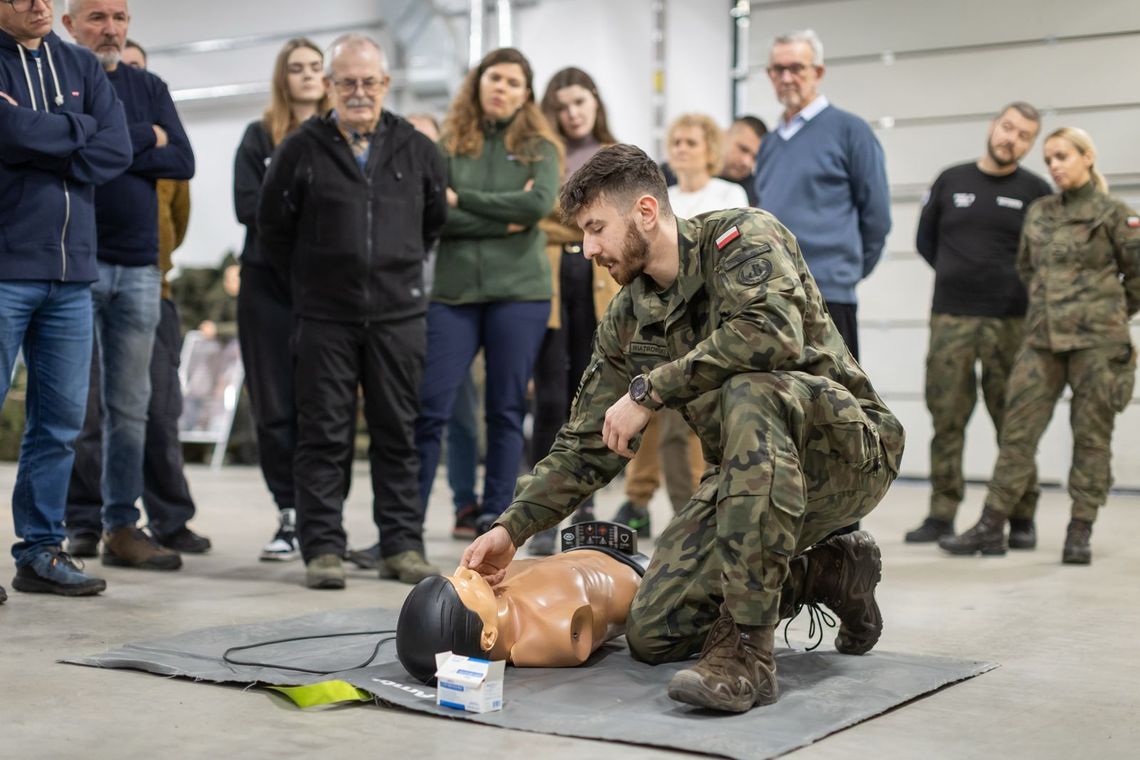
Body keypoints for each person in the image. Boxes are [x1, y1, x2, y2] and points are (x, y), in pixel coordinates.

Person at [461, 144, 905, 713]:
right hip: (746, 480)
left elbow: (772, 332)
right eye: (582, 235)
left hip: (847, 454)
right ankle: (830, 572)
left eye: (596, 229)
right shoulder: (629, 315)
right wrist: (512, 528)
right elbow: (586, 441)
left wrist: (650, 391)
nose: (588, 248)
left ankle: (748, 655)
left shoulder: (742, 237)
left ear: (646, 211)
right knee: (655, 631)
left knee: (753, 388)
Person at [258, 34, 447, 589]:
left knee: (398, 432)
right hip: (324, 316)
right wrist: (315, 282)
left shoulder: (417, 149)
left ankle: (401, 546)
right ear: (330, 86)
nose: (358, 91)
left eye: (369, 81)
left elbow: (433, 220)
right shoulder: (300, 148)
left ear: (385, 85)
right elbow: (273, 228)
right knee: (323, 433)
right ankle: (322, 548)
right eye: (347, 82)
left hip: (398, 315)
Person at [940, 128, 1139, 565]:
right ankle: (992, 525)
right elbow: (1028, 269)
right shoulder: (1039, 212)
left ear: (1088, 157)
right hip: (1043, 339)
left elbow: (1137, 274)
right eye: (1049, 159)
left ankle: (1079, 529)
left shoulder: (1113, 214)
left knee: (1091, 438)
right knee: (1017, 433)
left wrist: (1107, 313)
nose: (1054, 165)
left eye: (1063, 156)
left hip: (1097, 344)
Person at [0, 0, 131, 599]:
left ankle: (40, 553)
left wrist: (36, 133)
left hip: (72, 274)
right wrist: (77, 133)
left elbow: (117, 150)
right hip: (6, 267)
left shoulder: (78, 64)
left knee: (58, 424)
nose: (38, 4)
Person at [61, 0, 196, 571]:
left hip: (142, 266)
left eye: (118, 17)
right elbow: (59, 152)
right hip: (75, 260)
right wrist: (147, 139)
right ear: (70, 24)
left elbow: (183, 160)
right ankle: (73, 525)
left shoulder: (150, 84)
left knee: (130, 406)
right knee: (70, 405)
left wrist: (109, 141)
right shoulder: (58, 78)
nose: (110, 28)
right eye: (96, 16)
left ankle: (121, 524)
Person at [414, 47, 562, 537]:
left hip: (519, 293)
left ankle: (496, 522)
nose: (501, 88)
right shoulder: (448, 144)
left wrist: (466, 201)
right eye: (494, 77)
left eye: (513, 82)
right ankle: (403, 525)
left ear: (526, 94)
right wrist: (507, 218)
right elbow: (435, 213)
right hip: (453, 295)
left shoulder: (540, 147)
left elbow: (539, 203)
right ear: (478, 83)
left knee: (505, 409)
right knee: (430, 407)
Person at [904, 103, 1052, 546]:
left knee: (1012, 419)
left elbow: (1042, 257)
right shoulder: (952, 179)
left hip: (1010, 320)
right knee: (946, 416)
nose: (1012, 138)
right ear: (993, 126)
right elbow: (925, 241)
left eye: (1024, 135)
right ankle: (941, 513)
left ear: (1030, 144)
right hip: (951, 316)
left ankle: (1021, 515)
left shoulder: (1036, 190)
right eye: (1008, 127)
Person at [611, 113, 749, 539]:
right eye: (677, 141)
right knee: (661, 424)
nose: (683, 149)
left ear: (710, 149)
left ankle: (701, 514)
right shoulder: (662, 197)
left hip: (709, 326)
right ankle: (679, 516)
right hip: (660, 325)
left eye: (692, 142)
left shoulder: (729, 193)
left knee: (695, 428)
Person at [233, 37, 329, 562]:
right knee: (273, 407)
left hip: (325, 288)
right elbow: (249, 207)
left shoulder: (342, 136)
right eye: (298, 68)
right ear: (283, 77)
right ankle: (288, 515)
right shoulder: (257, 135)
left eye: (317, 67)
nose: (309, 75)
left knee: (320, 404)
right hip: (266, 286)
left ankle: (320, 518)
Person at [527, 66, 622, 555]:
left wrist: (558, 220)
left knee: (594, 394)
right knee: (550, 398)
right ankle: (542, 510)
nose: (571, 113)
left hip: (599, 282)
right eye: (562, 106)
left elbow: (561, 216)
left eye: (579, 103)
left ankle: (585, 504)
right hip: (549, 286)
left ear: (595, 103)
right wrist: (579, 221)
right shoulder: (541, 152)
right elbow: (541, 217)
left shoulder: (613, 155)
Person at [753, 29, 890, 362]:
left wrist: (843, 272)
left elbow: (877, 219)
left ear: (818, 72)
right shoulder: (770, 144)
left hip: (828, 297)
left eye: (796, 68)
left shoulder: (850, 132)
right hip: (772, 298)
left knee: (833, 406)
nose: (786, 78)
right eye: (777, 69)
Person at [397, 542, 646, 682]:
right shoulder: (551, 629)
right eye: (467, 586)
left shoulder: (497, 586)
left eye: (454, 577)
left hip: (590, 548)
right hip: (644, 578)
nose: (465, 572)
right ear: (488, 637)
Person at [720, 115, 767, 206]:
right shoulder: (693, 174)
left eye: (755, 157)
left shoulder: (759, 195)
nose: (746, 162)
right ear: (724, 137)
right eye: (743, 149)